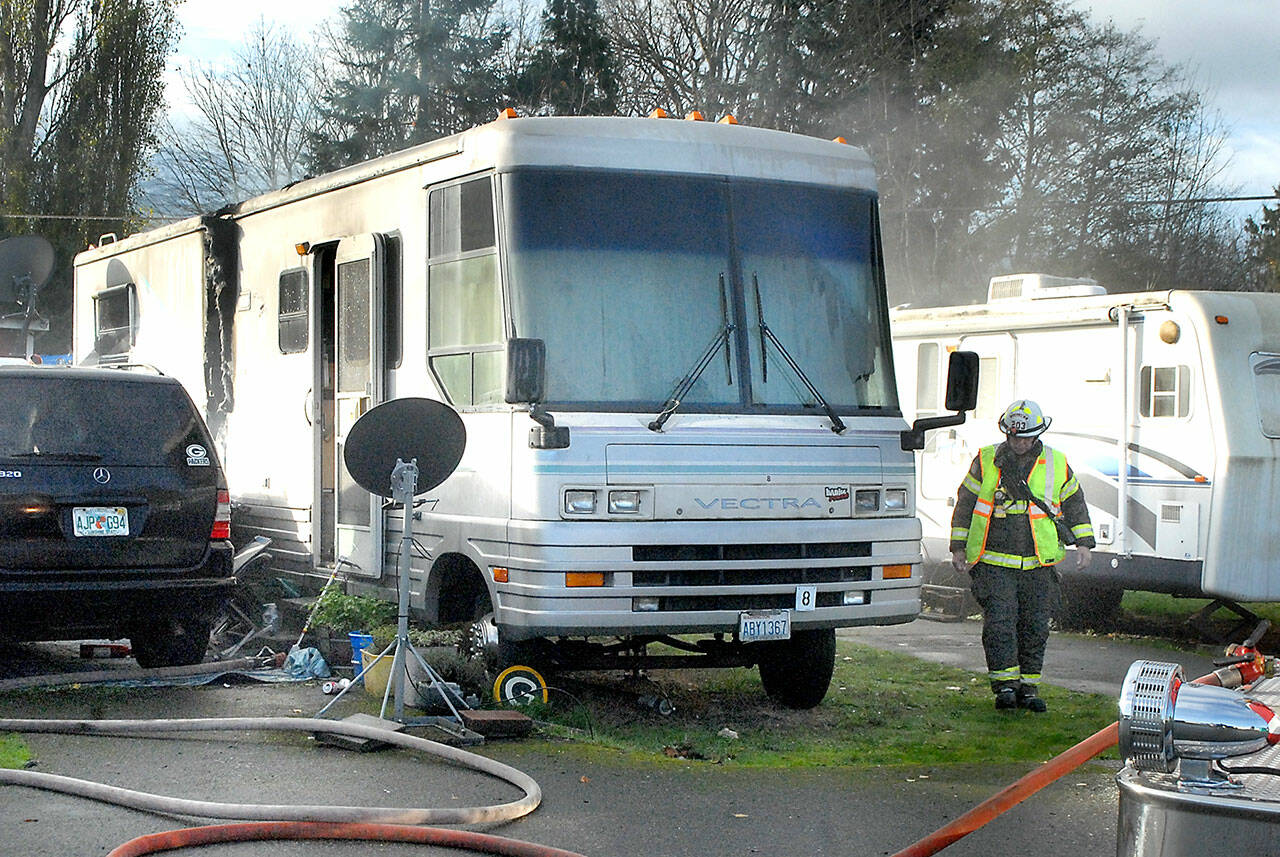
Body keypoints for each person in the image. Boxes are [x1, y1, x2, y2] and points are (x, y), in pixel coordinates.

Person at [950, 399, 1095, 713]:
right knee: (1000, 626)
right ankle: (1005, 688)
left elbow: (1075, 503)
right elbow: (965, 503)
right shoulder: (987, 460)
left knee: (1035, 627)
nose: (1020, 443)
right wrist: (958, 547)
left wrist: (1084, 542)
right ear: (1007, 434)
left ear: (1038, 434)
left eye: (1026, 438)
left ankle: (1029, 688)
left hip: (1038, 564)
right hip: (993, 562)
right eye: (1015, 437)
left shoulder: (1057, 463)